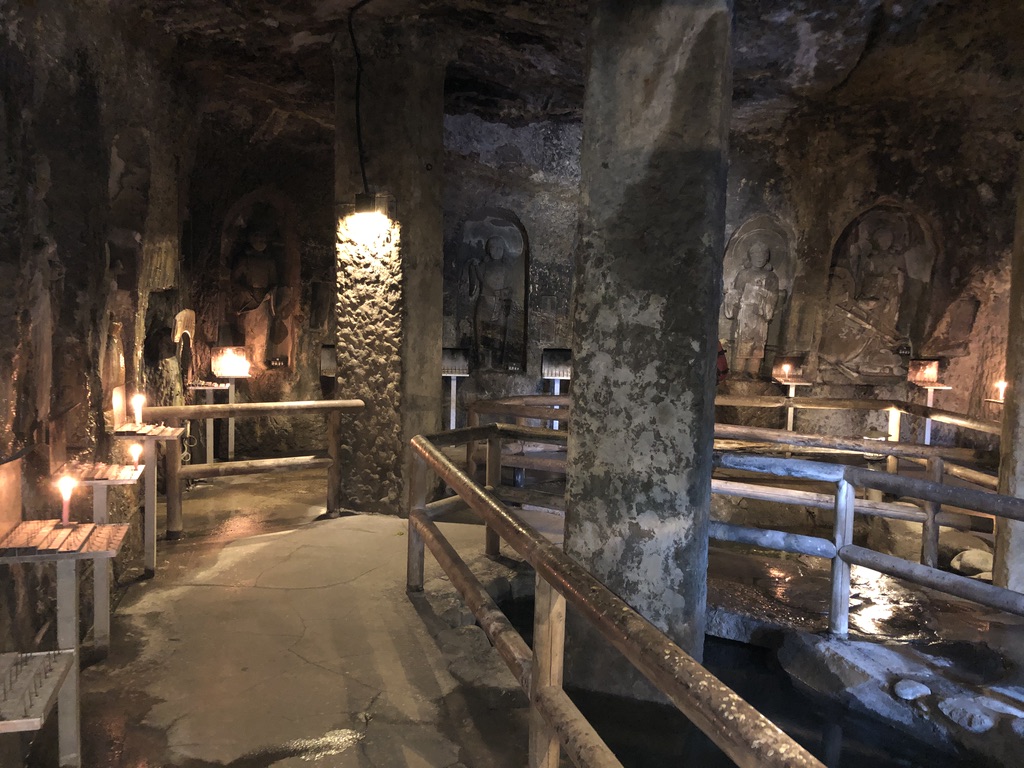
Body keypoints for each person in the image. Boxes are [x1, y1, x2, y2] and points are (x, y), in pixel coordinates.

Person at [724, 241, 780, 376]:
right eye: (756, 254)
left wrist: (762, 295)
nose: (760, 257)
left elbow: (774, 295)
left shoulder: (771, 276)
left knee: (758, 343)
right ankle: (738, 371)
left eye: (763, 254)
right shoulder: (743, 274)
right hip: (745, 313)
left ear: (767, 257)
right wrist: (732, 295)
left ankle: (753, 371)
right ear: (751, 256)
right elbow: (737, 292)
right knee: (743, 341)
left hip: (760, 314)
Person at [470, 236, 514, 369]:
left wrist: (502, 293)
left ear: (503, 250)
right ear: (488, 249)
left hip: (499, 304)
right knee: (481, 332)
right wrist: (474, 266)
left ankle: (497, 361)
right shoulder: (483, 266)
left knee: (499, 334)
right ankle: (481, 361)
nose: (496, 251)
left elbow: (511, 288)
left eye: (499, 248)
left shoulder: (507, 268)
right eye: (493, 248)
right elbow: (476, 282)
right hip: (484, 302)